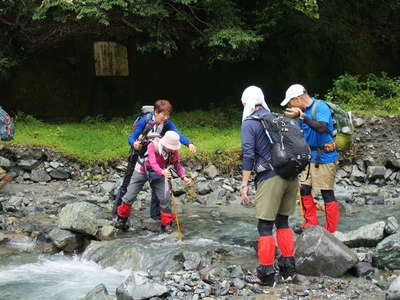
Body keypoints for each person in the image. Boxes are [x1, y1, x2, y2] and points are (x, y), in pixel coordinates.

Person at [240, 86, 297, 286]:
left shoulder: (249, 123)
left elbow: (248, 155)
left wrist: (244, 184)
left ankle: (266, 275)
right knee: (282, 222)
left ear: (246, 102)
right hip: (291, 175)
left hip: (270, 176)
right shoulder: (277, 118)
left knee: (264, 226)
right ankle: (288, 271)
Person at [112, 99, 196, 221]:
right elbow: (131, 137)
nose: (166, 117)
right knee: (127, 185)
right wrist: (134, 144)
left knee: (158, 184)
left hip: (157, 158)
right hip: (139, 156)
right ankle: (117, 214)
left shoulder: (167, 124)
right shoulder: (144, 121)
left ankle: (156, 216)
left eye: (168, 115)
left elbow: (177, 134)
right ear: (156, 112)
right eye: (163, 115)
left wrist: (189, 144)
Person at [281, 84, 339, 234]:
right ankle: (310, 222)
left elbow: (321, 128)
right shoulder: (301, 113)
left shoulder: (320, 107)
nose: (290, 105)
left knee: (326, 192)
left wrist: (302, 116)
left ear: (298, 98)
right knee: (304, 189)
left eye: (291, 101)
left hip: (325, 156)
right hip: (307, 156)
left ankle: (331, 230)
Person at [115, 131, 192, 231]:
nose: (173, 150)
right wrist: (162, 172)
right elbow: (153, 162)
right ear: (165, 143)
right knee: (129, 196)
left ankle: (166, 224)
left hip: (160, 173)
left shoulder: (174, 151)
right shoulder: (152, 145)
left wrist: (184, 177)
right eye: (171, 147)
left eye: (174, 148)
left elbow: (177, 165)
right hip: (142, 171)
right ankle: (121, 220)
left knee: (165, 198)